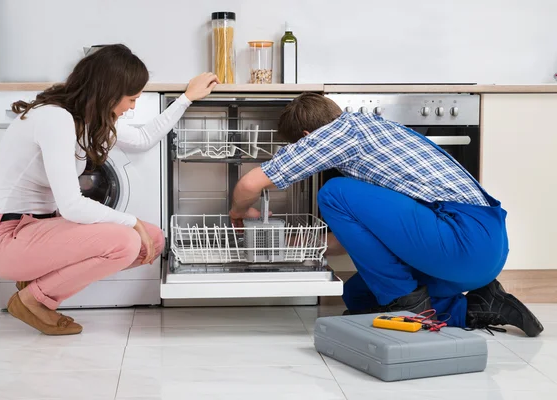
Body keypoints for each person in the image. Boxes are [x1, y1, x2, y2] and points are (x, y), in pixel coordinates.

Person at [229, 92, 543, 337]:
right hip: (487, 249)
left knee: (333, 192)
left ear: (311, 136)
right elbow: (355, 238)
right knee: (358, 295)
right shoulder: (375, 132)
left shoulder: (340, 133)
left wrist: (239, 212)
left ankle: (410, 308)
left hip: (464, 240)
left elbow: (249, 183)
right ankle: (481, 305)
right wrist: (288, 242)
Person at [0, 44, 219, 335]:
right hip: (5, 238)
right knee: (127, 241)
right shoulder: (55, 118)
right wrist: (132, 221)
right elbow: (72, 205)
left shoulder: (85, 121)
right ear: (108, 92)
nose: (132, 107)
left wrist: (186, 98)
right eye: (131, 99)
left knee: (151, 241)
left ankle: (35, 285)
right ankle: (33, 300)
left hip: (38, 231)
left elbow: (143, 138)